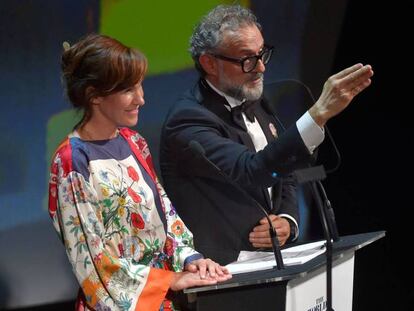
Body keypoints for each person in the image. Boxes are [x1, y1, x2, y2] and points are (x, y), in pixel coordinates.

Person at [159, 5, 373, 264]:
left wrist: (288, 221)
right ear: (209, 63)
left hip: (271, 263)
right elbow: (253, 171)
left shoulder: (256, 101)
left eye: (262, 54)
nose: (260, 67)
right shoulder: (187, 120)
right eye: (247, 59)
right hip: (219, 273)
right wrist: (317, 114)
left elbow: (287, 170)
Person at [48, 33, 231, 311]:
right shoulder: (73, 160)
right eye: (127, 90)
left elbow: (165, 215)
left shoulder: (134, 143)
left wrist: (191, 259)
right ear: (94, 95)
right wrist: (168, 279)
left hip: (167, 298)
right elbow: (93, 259)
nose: (141, 99)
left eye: (140, 86)